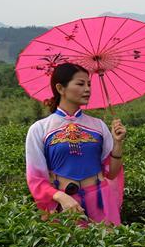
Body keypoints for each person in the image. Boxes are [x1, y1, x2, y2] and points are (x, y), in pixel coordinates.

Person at [25, 63, 125, 224]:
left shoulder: (98, 126)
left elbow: (111, 173)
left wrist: (118, 143)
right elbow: (36, 179)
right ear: (60, 88)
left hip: (100, 201)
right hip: (65, 205)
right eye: (80, 84)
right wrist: (61, 197)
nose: (87, 89)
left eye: (89, 84)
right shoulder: (40, 129)